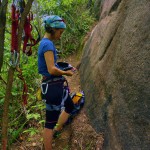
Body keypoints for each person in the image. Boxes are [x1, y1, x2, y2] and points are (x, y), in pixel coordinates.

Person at [38, 15, 75, 150]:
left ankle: (56, 129)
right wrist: (66, 73)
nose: (60, 35)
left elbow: (52, 66)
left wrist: (65, 67)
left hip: (56, 86)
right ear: (53, 29)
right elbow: (51, 69)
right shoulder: (47, 44)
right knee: (49, 123)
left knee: (70, 106)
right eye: (60, 32)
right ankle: (49, 143)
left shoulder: (46, 43)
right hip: (52, 87)